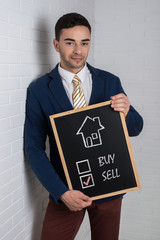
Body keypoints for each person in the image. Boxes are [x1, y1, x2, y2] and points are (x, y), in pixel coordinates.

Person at [24, 13, 143, 240]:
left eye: (84, 43)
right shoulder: (39, 89)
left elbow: (136, 127)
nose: (78, 50)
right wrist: (61, 193)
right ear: (56, 44)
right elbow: (34, 148)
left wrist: (126, 113)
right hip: (66, 190)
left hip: (110, 185)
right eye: (70, 42)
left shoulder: (109, 81)